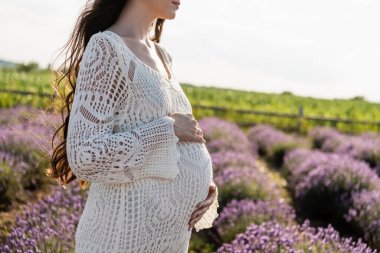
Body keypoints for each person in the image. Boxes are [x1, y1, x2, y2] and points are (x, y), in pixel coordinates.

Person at [49, 0, 219, 252]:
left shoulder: (162, 55)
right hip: (122, 241)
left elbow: (175, 145)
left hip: (167, 242)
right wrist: (168, 130)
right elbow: (84, 155)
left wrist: (202, 186)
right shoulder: (107, 48)